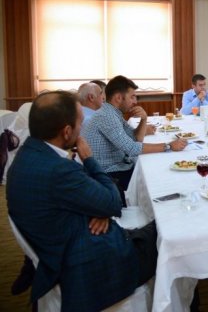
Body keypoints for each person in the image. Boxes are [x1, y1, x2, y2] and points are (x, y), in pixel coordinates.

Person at [6, 91, 157, 310]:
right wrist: (89, 159)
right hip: (88, 263)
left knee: (145, 228)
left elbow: (94, 199)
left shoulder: (27, 155)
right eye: (80, 123)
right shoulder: (58, 170)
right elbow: (114, 201)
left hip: (59, 240)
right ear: (67, 131)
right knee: (165, 233)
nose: (82, 129)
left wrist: (100, 208)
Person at [83, 75, 187, 194]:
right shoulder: (107, 116)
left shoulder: (112, 113)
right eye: (132, 97)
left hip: (117, 167)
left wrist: (144, 119)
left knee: (157, 166)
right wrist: (168, 146)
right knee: (159, 174)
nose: (135, 102)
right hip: (110, 175)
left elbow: (136, 138)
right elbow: (132, 148)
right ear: (118, 98)